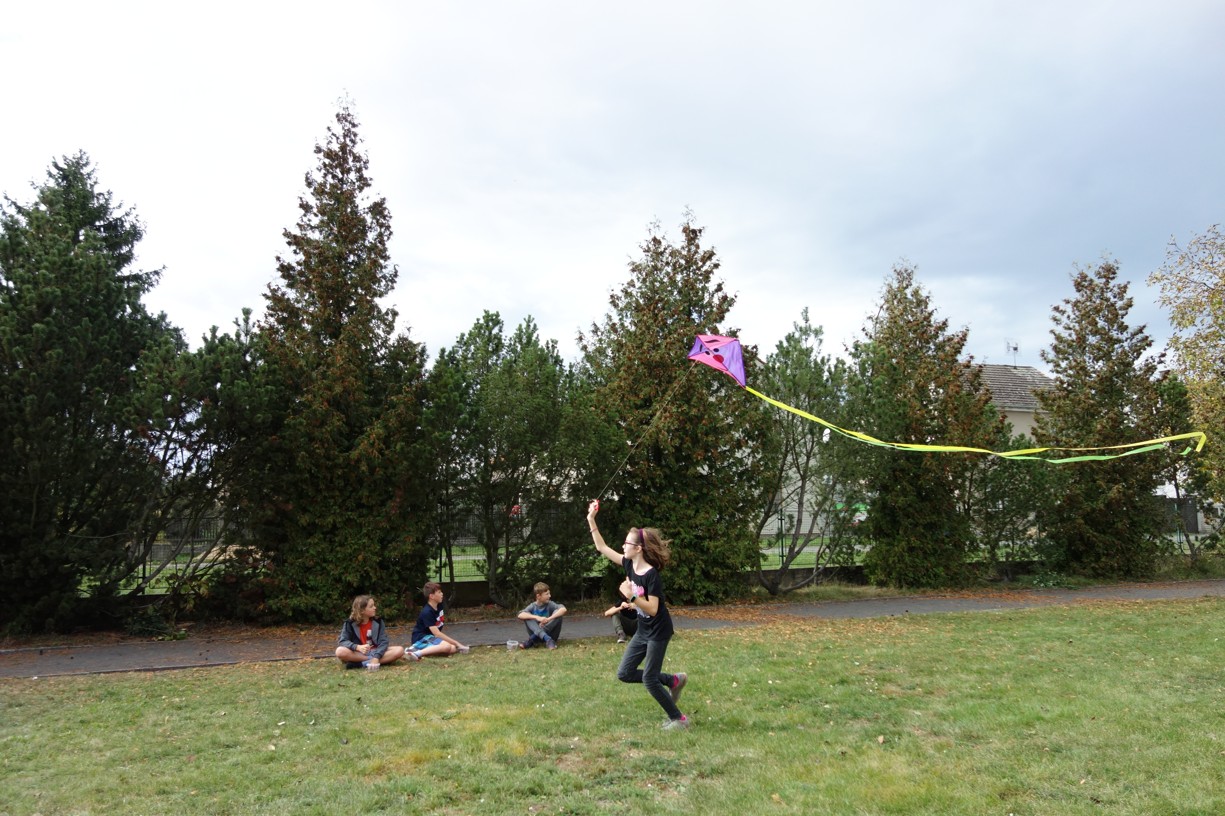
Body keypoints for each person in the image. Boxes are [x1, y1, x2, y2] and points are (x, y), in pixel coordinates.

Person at [587, 499, 689, 730]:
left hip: (658, 632)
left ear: (638, 548)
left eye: (627, 543)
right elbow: (602, 547)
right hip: (643, 630)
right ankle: (673, 680)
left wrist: (631, 596)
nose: (623, 546)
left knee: (649, 679)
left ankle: (679, 719)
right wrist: (591, 519)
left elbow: (653, 608)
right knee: (624, 673)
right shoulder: (628, 564)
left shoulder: (651, 575)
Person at [335, 595, 406, 669]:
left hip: (376, 651)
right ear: (362, 610)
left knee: (400, 650)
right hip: (358, 653)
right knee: (340, 651)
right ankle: (376, 661)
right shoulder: (349, 623)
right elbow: (343, 641)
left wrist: (377, 656)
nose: (375, 608)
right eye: (371, 606)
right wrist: (357, 647)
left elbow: (384, 641)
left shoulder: (378, 622)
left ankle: (360, 664)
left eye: (374, 605)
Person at [405, 581, 470, 660]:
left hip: (431, 638)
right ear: (431, 596)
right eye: (439, 592)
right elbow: (437, 634)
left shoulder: (439, 605)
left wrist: (455, 645)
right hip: (421, 638)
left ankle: (421, 651)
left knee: (452, 648)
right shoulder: (427, 612)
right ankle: (415, 653)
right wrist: (458, 644)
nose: (442, 594)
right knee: (447, 646)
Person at [517, 582, 567, 649]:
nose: (550, 596)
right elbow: (520, 615)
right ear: (538, 596)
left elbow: (563, 609)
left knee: (557, 613)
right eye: (547, 594)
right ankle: (547, 639)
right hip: (537, 639)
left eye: (549, 593)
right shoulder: (533, 606)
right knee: (527, 616)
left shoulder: (550, 604)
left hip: (551, 636)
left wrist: (548, 619)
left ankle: (533, 640)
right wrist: (537, 618)